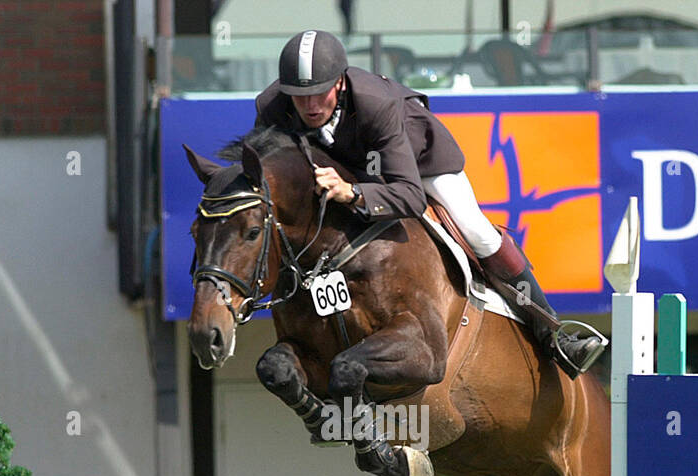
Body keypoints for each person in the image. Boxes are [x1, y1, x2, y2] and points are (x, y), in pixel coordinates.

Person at [254, 29, 606, 378]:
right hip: (341, 165)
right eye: (301, 97)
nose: (311, 106)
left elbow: (407, 193)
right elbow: (267, 173)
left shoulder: (377, 104)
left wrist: (355, 193)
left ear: (340, 84)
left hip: (414, 163)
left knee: (477, 231)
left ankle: (553, 334)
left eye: (319, 93)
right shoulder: (271, 107)